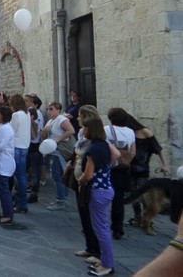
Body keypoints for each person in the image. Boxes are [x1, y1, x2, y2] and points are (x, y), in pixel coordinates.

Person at [77, 116, 116, 276]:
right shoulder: (104, 145)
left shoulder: (93, 149)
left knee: (101, 229)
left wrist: (80, 181)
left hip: (98, 191)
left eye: (85, 128)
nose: (83, 130)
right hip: (106, 188)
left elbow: (88, 174)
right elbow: (115, 157)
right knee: (102, 228)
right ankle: (105, 260)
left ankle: (108, 265)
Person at [125, 110, 169, 229]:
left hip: (142, 170)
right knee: (133, 195)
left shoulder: (145, 133)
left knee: (144, 196)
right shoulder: (127, 133)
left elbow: (159, 149)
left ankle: (147, 220)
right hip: (130, 170)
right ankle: (137, 218)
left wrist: (165, 165)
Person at [104, 107, 136, 240]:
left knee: (103, 198)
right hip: (122, 169)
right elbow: (133, 151)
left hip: (107, 168)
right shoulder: (130, 132)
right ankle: (118, 229)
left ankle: (102, 226)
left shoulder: (106, 130)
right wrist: (125, 161)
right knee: (118, 199)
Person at [42, 101, 76, 211]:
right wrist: (44, 131)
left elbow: (71, 130)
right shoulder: (50, 122)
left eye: (51, 109)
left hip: (59, 151)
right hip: (53, 151)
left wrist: (58, 139)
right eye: (48, 109)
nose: (49, 111)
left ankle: (61, 200)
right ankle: (62, 197)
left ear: (58, 110)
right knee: (58, 175)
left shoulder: (61, 119)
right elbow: (44, 136)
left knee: (58, 175)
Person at [9, 94, 31, 213]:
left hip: (17, 146)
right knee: (21, 175)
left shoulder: (16, 115)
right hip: (24, 146)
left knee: (19, 176)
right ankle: (20, 200)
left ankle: (22, 202)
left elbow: (11, 131)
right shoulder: (26, 113)